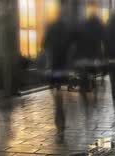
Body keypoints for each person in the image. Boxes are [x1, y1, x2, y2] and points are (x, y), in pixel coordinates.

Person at [43, 7, 74, 140]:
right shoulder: (69, 30)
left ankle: (59, 122)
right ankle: (61, 122)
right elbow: (73, 48)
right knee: (62, 95)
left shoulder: (51, 28)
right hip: (65, 68)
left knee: (57, 96)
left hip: (54, 67)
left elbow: (43, 45)